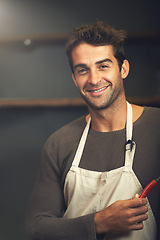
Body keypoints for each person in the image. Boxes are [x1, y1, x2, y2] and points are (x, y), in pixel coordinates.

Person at [26, 21, 160, 240]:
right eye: (82, 70)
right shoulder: (59, 143)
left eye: (103, 66)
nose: (94, 79)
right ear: (74, 79)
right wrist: (98, 222)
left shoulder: (157, 127)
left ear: (123, 69)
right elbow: (37, 228)